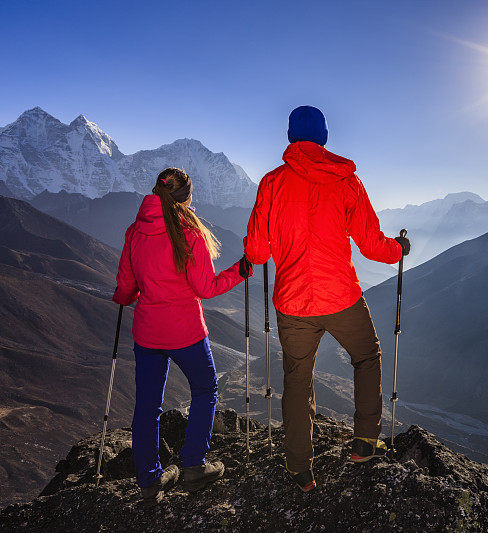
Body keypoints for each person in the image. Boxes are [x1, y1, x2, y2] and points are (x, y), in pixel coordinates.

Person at [243, 105, 410, 492]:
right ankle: (366, 441)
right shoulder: (347, 182)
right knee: (366, 357)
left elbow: (256, 253)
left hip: (293, 302)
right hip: (342, 298)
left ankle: (300, 466)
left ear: (289, 137)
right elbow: (371, 245)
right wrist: (399, 249)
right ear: (324, 137)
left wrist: (262, 248)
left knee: (297, 381)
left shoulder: (271, 183)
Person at [113, 167, 252, 507]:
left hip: (147, 333)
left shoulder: (135, 231)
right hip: (185, 331)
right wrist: (239, 271)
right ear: (187, 197)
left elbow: (127, 286)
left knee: (147, 406)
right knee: (206, 390)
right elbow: (205, 287)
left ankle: (149, 480)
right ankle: (193, 465)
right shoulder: (189, 232)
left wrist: (123, 296)